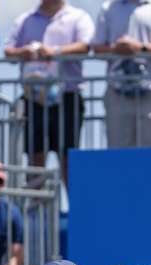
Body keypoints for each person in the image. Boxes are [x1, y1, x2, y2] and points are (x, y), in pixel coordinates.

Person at [5, 0, 94, 184]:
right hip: (33, 99)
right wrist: (23, 52)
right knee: (35, 159)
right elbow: (8, 51)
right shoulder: (24, 20)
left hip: (67, 98)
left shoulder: (79, 17)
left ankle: (74, 203)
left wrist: (55, 51)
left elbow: (85, 46)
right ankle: (35, 203)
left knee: (69, 159)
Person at [93, 0, 151, 149]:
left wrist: (141, 48)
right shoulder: (108, 7)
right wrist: (116, 50)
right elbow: (97, 48)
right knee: (118, 152)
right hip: (118, 92)